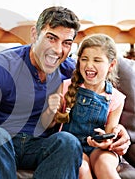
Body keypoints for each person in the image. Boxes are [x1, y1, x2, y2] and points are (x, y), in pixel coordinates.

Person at [0, 6, 132, 178]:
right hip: (2, 143)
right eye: (51, 38)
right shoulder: (2, 66)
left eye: (66, 42)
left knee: (67, 141)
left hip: (40, 146)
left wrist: (118, 131)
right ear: (34, 34)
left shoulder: (71, 71)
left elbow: (103, 96)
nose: (58, 50)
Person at [42, 34, 125, 178]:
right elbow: (48, 125)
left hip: (101, 149)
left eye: (97, 60)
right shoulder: (66, 87)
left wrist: (104, 143)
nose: (89, 65)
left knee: (105, 164)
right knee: (83, 168)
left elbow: (109, 136)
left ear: (111, 65)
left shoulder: (116, 98)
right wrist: (52, 110)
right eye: (84, 59)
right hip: (73, 147)